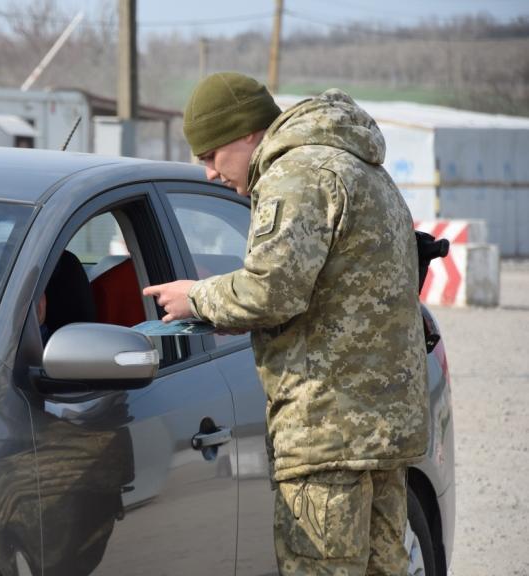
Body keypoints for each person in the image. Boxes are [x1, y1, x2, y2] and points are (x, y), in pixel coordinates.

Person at [144, 72, 428, 575]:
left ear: (247, 133)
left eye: (211, 155)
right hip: (381, 428)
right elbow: (336, 292)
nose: (209, 173)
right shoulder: (355, 163)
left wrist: (197, 298)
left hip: (329, 430)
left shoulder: (295, 174)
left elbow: (271, 290)